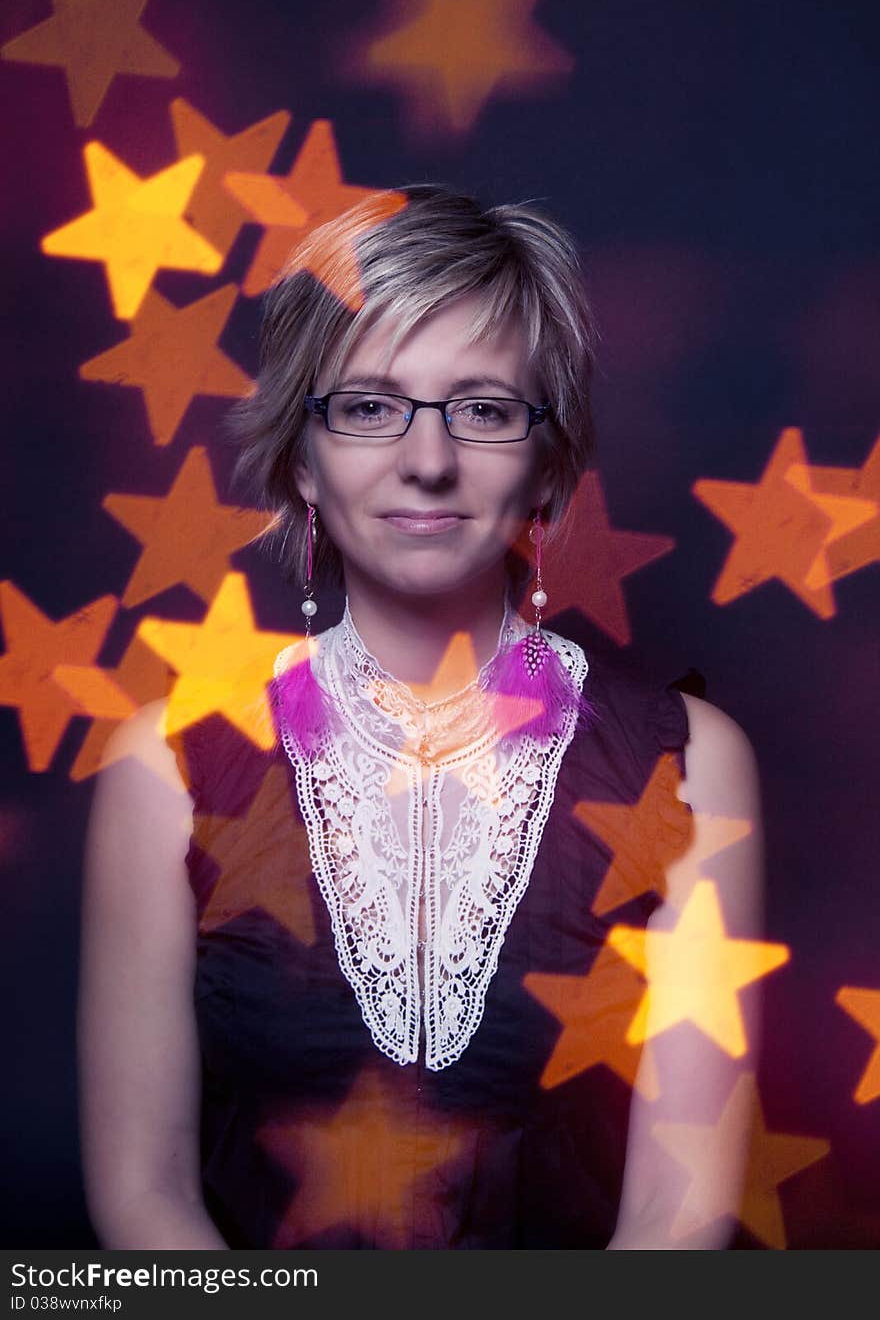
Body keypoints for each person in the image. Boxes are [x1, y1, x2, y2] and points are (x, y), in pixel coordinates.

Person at [77, 184, 765, 1250]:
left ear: (545, 459)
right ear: (301, 457)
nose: (428, 456)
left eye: (484, 408)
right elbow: (144, 1200)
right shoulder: (165, 764)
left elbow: (682, 1213)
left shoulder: (687, 764)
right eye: (367, 404)